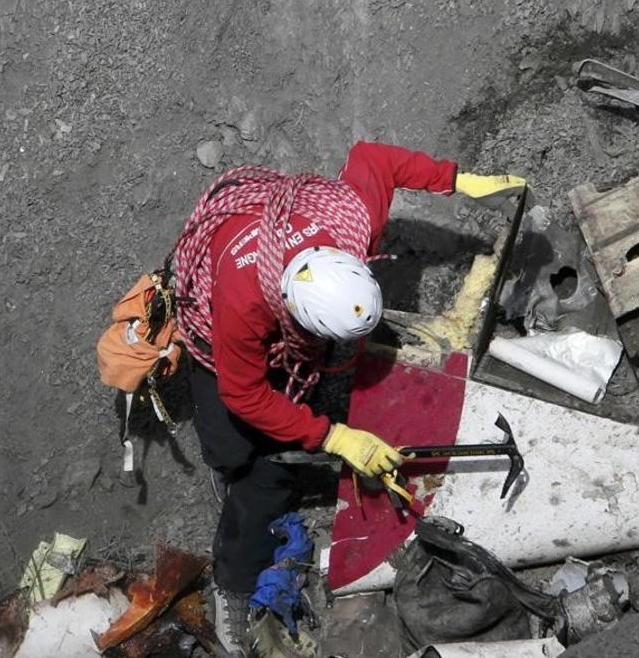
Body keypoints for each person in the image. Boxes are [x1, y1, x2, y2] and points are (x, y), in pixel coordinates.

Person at [171, 141, 525, 652]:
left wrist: (457, 179)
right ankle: (233, 580)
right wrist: (335, 438)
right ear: (291, 315)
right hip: (216, 323)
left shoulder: (351, 225)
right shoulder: (243, 303)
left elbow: (374, 159)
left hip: (281, 287)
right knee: (250, 462)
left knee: (285, 416)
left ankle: (264, 448)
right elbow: (244, 393)